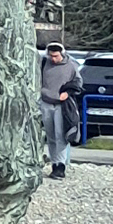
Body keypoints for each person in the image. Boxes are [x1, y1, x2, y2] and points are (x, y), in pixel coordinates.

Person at [39, 41, 83, 179]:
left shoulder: (70, 66)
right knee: (51, 137)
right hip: (46, 102)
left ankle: (61, 166)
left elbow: (78, 83)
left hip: (61, 105)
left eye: (56, 56)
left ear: (62, 54)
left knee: (61, 136)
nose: (53, 59)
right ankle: (54, 164)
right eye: (51, 56)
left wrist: (68, 92)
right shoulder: (44, 64)